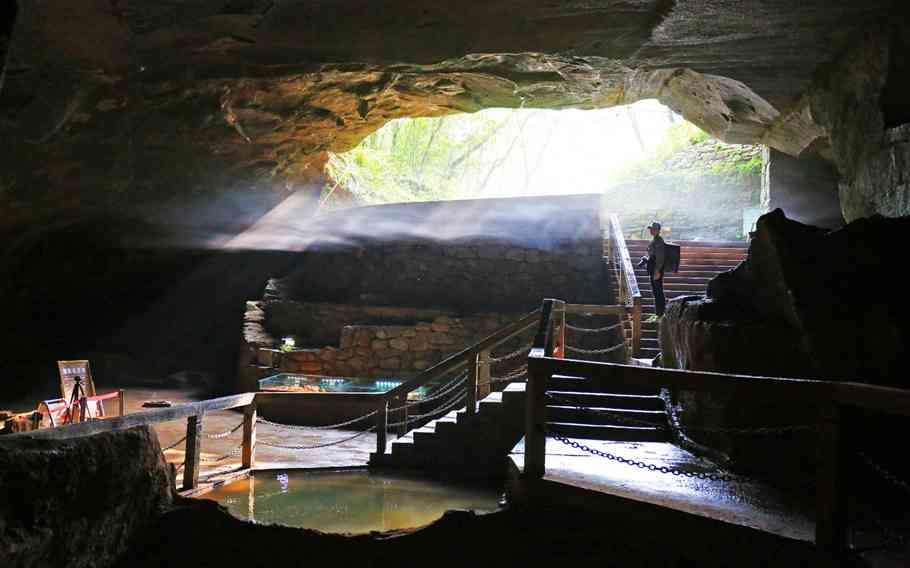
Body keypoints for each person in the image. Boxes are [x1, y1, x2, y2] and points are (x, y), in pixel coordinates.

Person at [642, 221, 666, 321]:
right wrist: (647, 259)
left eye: (653, 229)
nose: (651, 230)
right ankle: (658, 313)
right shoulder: (654, 241)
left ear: (657, 230)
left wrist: (657, 271)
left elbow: (660, 258)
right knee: (656, 292)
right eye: (651, 229)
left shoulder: (659, 241)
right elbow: (653, 256)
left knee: (658, 291)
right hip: (653, 269)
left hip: (656, 270)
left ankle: (661, 314)